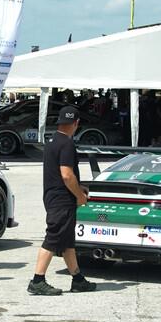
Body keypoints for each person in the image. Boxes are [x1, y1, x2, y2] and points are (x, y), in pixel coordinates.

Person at [28, 106, 97, 296]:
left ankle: (77, 279)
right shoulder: (67, 143)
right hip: (62, 198)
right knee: (54, 237)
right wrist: (80, 196)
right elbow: (66, 175)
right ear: (76, 124)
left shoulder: (52, 141)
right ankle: (37, 280)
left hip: (52, 194)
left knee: (67, 241)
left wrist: (78, 187)